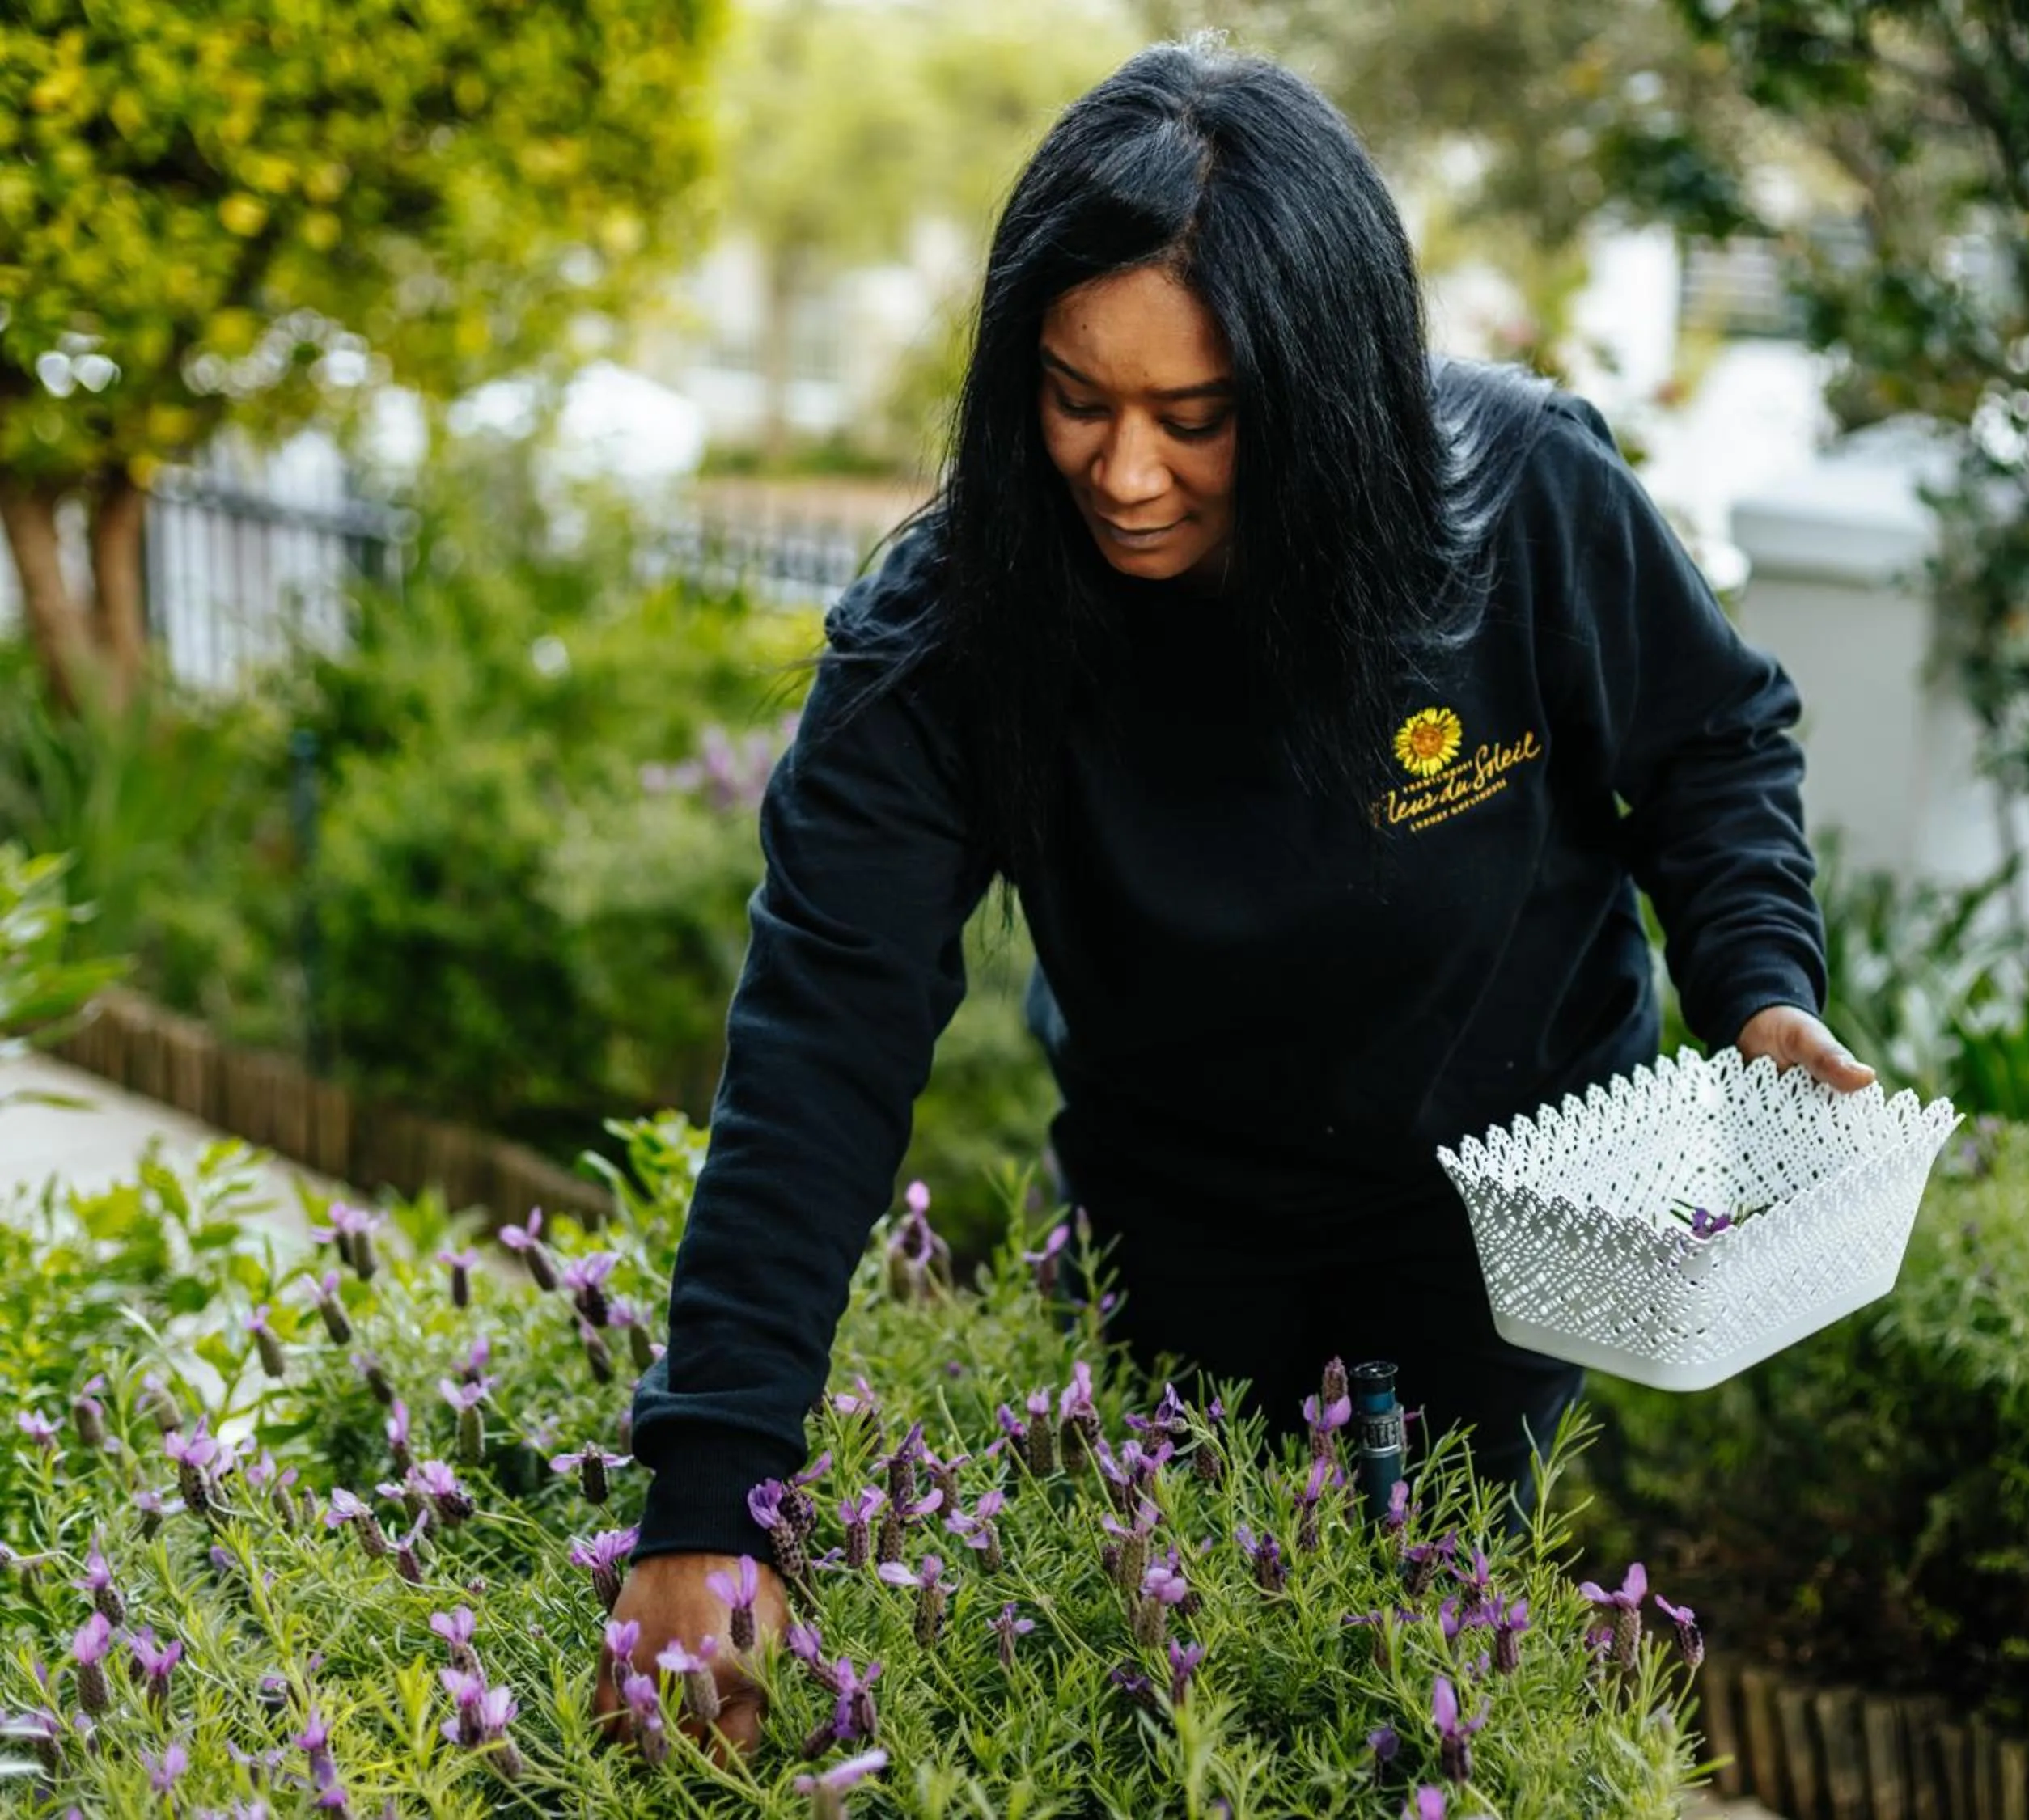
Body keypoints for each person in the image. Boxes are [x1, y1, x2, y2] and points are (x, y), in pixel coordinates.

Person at [595, 36, 1874, 1754]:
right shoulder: (957, 636)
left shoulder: (1523, 506)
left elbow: (1715, 737)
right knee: (1181, 1682)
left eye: (1196, 420)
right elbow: (820, 1037)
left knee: (1424, 1678)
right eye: (1075, 399)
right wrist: (707, 1492)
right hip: (1179, 1220)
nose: (1126, 474)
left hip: (1502, 1217)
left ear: (1321, 392)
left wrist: (1757, 978)